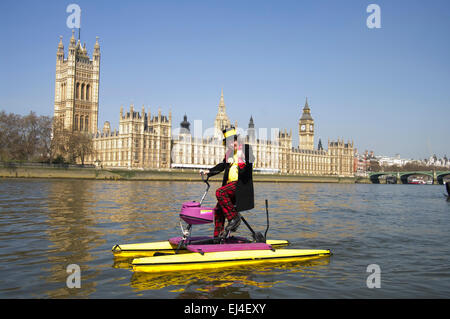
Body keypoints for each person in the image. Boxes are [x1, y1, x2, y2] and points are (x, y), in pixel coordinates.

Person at [200, 127, 254, 241]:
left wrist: (242, 159)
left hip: (241, 186)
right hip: (230, 187)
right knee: (218, 210)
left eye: (233, 141)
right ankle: (218, 236)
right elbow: (222, 165)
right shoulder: (229, 153)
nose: (232, 144)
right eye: (229, 142)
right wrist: (209, 171)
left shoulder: (246, 149)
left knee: (220, 192)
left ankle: (234, 218)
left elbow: (250, 162)